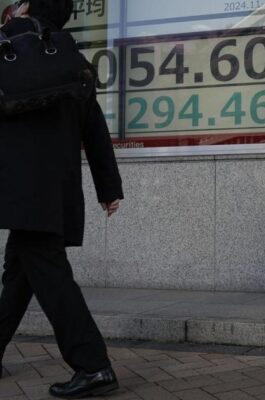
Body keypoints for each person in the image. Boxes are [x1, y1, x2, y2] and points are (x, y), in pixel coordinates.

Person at [0, 0, 123, 398]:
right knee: (19, 273)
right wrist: (109, 187)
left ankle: (93, 364)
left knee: (51, 276)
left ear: (27, 8)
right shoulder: (73, 60)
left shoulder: (8, 50)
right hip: (57, 189)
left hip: (19, 187)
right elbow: (95, 128)